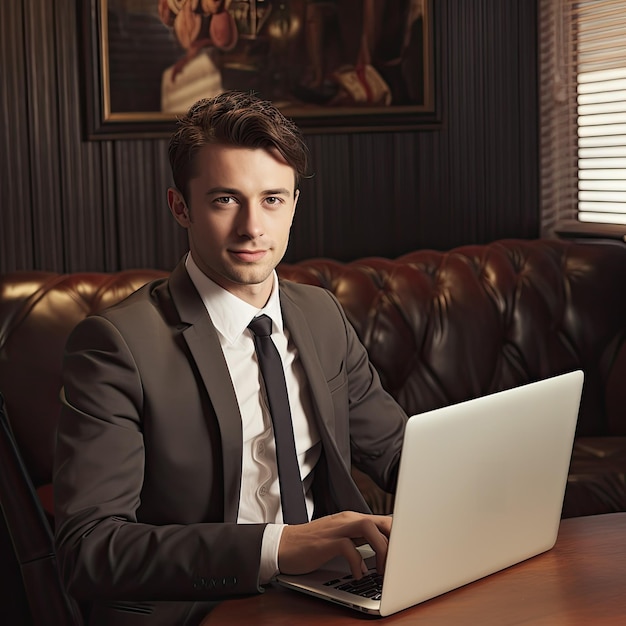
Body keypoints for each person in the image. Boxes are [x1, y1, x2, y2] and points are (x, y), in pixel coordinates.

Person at [53, 91, 408, 626]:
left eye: (271, 199)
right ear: (181, 207)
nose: (252, 228)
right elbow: (91, 549)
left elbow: (402, 452)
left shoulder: (319, 313)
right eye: (225, 199)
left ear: (293, 205)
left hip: (335, 588)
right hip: (198, 606)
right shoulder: (114, 345)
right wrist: (279, 547)